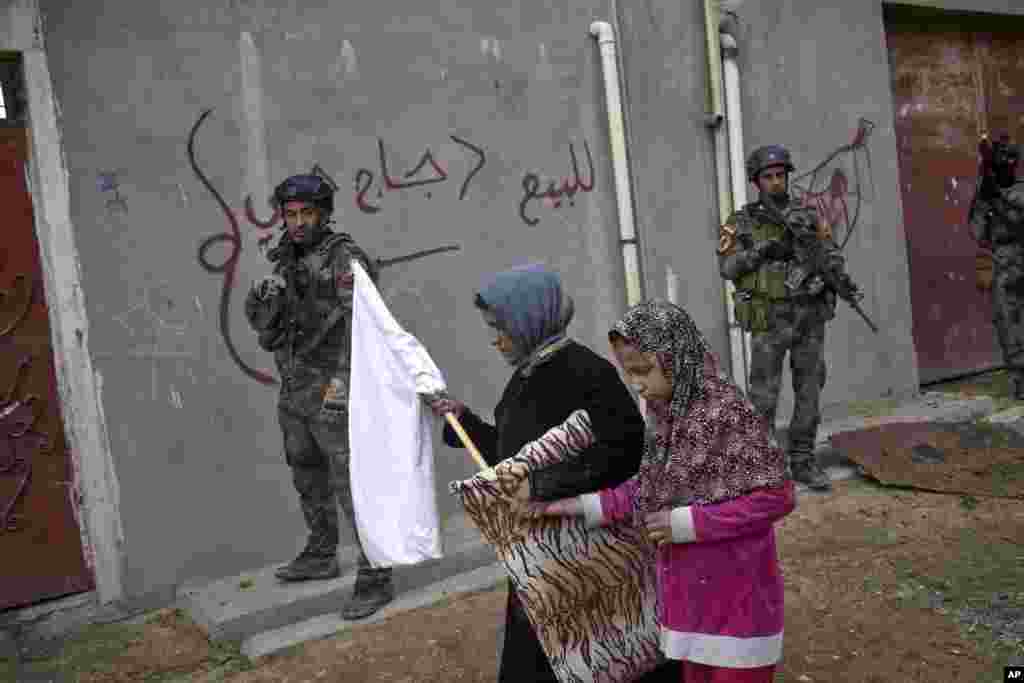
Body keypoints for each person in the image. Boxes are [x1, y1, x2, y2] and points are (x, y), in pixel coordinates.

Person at [427, 263, 680, 682]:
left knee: (612, 653)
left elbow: (625, 450)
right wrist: (463, 421)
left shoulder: (587, 374)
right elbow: (515, 461)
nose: (495, 338)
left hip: (590, 556)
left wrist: (544, 485)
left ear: (528, 320)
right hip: (543, 557)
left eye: (500, 327)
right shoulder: (524, 378)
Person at [526, 300, 796, 683]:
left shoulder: (727, 413)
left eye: (643, 371)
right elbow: (650, 489)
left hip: (740, 607)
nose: (637, 384)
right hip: (690, 605)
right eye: (629, 373)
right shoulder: (666, 414)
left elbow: (777, 496)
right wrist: (574, 506)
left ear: (676, 357)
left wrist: (689, 524)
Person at [244, 173, 393, 620]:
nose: (298, 222)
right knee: (305, 469)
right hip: (295, 384)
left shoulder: (344, 259)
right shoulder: (285, 259)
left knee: (351, 480)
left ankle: (376, 574)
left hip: (334, 383)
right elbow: (267, 328)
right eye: (290, 215)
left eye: (307, 213)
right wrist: (265, 299)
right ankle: (321, 552)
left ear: (324, 214)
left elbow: (364, 328)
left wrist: (342, 386)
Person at [717, 144, 861, 491]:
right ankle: (764, 468)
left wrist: (835, 278)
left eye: (781, 175)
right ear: (757, 181)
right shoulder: (742, 222)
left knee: (809, 391)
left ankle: (803, 461)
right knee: (763, 396)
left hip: (808, 316)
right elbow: (728, 267)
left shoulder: (809, 217)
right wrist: (763, 249)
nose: (776, 182)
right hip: (770, 318)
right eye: (768, 177)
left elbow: (830, 255)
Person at [970, 134, 1024, 399]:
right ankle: (1018, 380)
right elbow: (977, 232)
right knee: (1006, 324)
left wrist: (999, 198)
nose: (1005, 166)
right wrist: (983, 197)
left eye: (1007, 161)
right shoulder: (989, 192)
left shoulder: (1020, 189)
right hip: (1002, 262)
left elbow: (1018, 222)